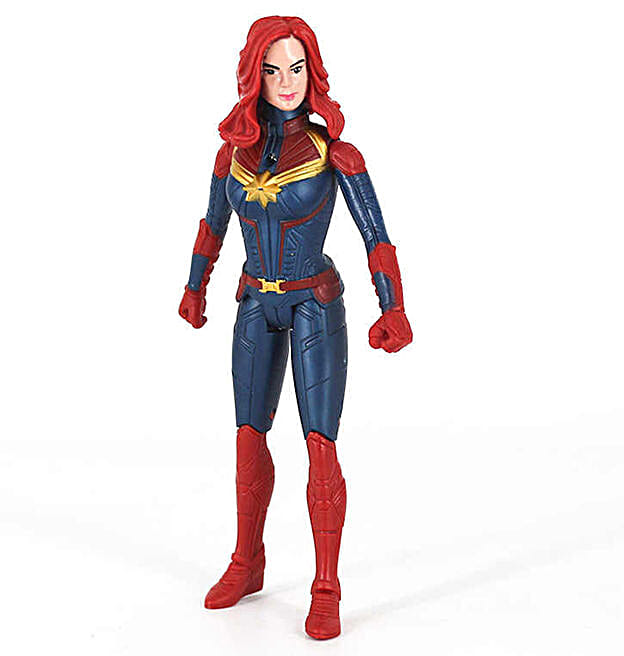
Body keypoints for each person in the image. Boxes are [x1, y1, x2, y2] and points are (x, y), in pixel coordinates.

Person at [178, 15, 412, 640]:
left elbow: (375, 234)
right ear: (254, 75)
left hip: (314, 302)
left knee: (319, 443)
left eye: (297, 68)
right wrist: (195, 286)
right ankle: (246, 561)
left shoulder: (336, 155)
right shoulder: (232, 154)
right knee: (247, 436)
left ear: (313, 73)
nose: (286, 81)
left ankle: (326, 586)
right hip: (256, 300)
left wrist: (392, 306)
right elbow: (212, 225)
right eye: (273, 69)